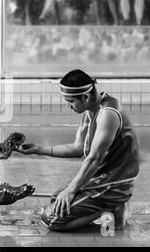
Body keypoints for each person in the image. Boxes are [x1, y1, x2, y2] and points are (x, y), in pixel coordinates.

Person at [16, 69, 140, 231]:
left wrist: (70, 190)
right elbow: (78, 148)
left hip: (113, 184)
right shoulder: (91, 109)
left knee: (52, 219)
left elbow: (94, 159)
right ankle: (110, 206)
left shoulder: (107, 114)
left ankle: (112, 207)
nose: (68, 105)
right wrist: (39, 150)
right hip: (101, 178)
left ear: (86, 97)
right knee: (56, 199)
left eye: (71, 101)